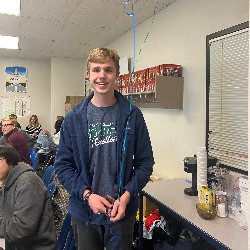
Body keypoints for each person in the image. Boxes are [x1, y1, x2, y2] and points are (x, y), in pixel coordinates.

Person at [54, 48, 154, 250]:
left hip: (121, 213)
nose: (102, 75)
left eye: (108, 70)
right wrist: (87, 196)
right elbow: (63, 167)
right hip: (85, 214)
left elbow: (145, 164)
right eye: (96, 69)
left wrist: (126, 198)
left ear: (117, 74)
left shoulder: (133, 115)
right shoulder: (74, 118)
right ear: (88, 75)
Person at [0, 144, 57, 250]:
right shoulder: (7, 180)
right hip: (18, 244)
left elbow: (21, 229)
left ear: (10, 161)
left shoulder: (28, 182)